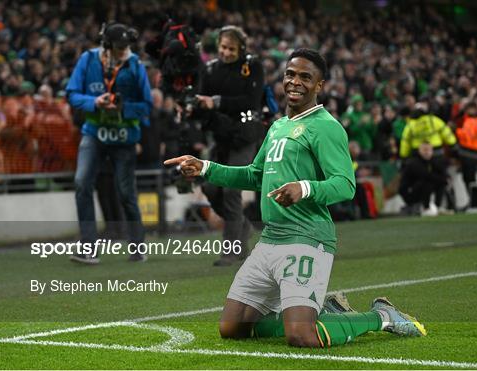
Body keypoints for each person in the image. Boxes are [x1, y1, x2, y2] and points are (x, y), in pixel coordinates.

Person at [165, 49, 426, 348]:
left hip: (307, 237)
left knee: (301, 336)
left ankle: (381, 316)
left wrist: (304, 188)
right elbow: (255, 175)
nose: (295, 82)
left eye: (306, 77)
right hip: (270, 240)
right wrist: (206, 167)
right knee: (232, 327)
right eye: (290, 74)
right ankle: (324, 311)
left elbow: (345, 184)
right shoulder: (278, 126)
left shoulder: (326, 127)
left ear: (319, 85)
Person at [66, 22, 152, 264]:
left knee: (126, 193)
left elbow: (147, 105)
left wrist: (125, 108)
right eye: (119, 48)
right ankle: (88, 247)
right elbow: (71, 93)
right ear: (107, 46)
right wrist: (94, 102)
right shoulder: (88, 60)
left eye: (126, 47)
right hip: (94, 132)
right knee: (82, 182)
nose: (124, 51)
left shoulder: (135, 64)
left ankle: (137, 246)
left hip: (124, 137)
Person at [194, 25, 265, 266]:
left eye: (231, 49)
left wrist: (217, 102)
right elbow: (201, 101)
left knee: (231, 188)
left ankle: (231, 250)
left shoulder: (252, 67)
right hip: (221, 137)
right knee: (211, 189)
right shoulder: (211, 69)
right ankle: (242, 226)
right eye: (223, 47)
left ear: (241, 48)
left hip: (245, 135)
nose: (226, 52)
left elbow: (252, 101)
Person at [455, 101, 477, 213]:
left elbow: (467, 136)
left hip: (469, 152)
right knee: (469, 178)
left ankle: (474, 204)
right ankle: (473, 202)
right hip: (476, 152)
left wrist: (456, 131)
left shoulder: (472, 121)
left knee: (470, 178)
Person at [399, 142, 447, 216]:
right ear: (419, 151)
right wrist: (442, 179)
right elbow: (426, 175)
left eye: (429, 150)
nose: (427, 152)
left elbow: (440, 173)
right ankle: (425, 208)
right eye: (425, 150)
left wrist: (444, 179)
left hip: (419, 187)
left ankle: (438, 206)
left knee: (440, 183)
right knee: (428, 182)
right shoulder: (414, 162)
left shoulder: (432, 161)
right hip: (409, 191)